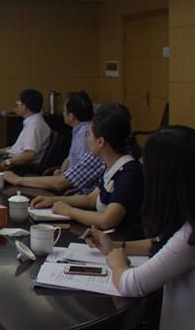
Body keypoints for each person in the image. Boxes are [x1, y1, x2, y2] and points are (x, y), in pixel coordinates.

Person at [84, 126, 195, 330]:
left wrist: (118, 263)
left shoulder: (193, 234)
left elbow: (131, 284)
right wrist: (115, 246)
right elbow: (161, 244)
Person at [29, 102, 144, 239]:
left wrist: (68, 211)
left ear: (100, 142)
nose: (87, 138)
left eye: (88, 134)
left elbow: (107, 220)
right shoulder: (111, 166)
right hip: (105, 238)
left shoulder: (129, 173)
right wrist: (52, 200)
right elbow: (91, 199)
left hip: (120, 241)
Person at [4, 91, 101, 193]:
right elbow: (70, 157)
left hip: (73, 189)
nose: (62, 113)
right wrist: (62, 170)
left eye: (64, 110)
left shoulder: (85, 136)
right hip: (66, 180)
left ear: (71, 116)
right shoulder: (78, 131)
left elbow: (66, 181)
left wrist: (17, 179)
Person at [0, 89, 51, 171]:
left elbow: (30, 154)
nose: (17, 106)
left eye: (19, 103)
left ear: (25, 106)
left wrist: (8, 162)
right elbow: (17, 149)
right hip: (12, 161)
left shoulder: (35, 126)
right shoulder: (32, 122)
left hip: (17, 167)